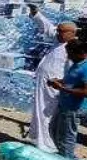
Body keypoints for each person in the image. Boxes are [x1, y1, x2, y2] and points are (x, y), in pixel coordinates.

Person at [47, 39, 87, 159]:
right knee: (55, 132)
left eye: (70, 54)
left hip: (74, 108)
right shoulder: (79, 63)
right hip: (65, 105)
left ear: (80, 53)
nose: (68, 57)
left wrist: (62, 88)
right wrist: (58, 81)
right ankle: (62, 157)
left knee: (66, 138)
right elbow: (72, 81)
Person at [29, 22, 78, 150]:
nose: (58, 34)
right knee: (39, 110)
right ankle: (38, 139)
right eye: (58, 31)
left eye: (62, 32)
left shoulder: (73, 47)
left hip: (54, 85)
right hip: (44, 82)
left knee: (47, 112)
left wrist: (62, 82)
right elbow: (48, 28)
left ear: (72, 33)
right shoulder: (59, 41)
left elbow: (73, 69)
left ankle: (46, 144)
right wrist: (36, 14)